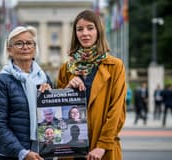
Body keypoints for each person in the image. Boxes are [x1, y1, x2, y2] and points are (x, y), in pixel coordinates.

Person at [57, 10, 127, 160]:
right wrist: (67, 89)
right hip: (71, 148)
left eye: (90, 28)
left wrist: (102, 146)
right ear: (75, 33)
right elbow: (58, 111)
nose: (85, 33)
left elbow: (117, 111)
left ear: (98, 31)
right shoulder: (66, 68)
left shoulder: (115, 66)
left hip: (100, 149)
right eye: (79, 29)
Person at [0, 25, 52, 160]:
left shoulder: (44, 78)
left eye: (29, 43)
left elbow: (53, 118)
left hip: (42, 152)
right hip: (11, 154)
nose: (25, 47)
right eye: (19, 43)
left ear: (35, 48)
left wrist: (50, 98)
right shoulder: (2, 81)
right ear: (9, 50)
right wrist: (22, 153)